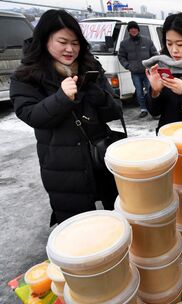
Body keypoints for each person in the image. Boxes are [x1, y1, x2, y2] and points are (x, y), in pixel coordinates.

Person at [10, 10, 123, 226]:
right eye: (62, 42)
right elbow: (31, 114)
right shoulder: (27, 75)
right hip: (63, 166)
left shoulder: (90, 66)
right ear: (44, 40)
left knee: (117, 221)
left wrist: (96, 94)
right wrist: (61, 98)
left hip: (101, 156)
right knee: (79, 229)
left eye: (75, 43)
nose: (70, 49)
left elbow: (115, 109)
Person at [118, 21, 158, 118]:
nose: (133, 30)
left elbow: (155, 54)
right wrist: (128, 66)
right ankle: (143, 109)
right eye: (131, 29)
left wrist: (152, 66)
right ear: (129, 31)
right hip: (135, 72)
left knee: (151, 91)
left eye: (135, 28)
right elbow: (121, 56)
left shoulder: (147, 41)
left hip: (147, 72)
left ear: (138, 30)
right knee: (139, 92)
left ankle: (154, 109)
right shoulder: (124, 44)